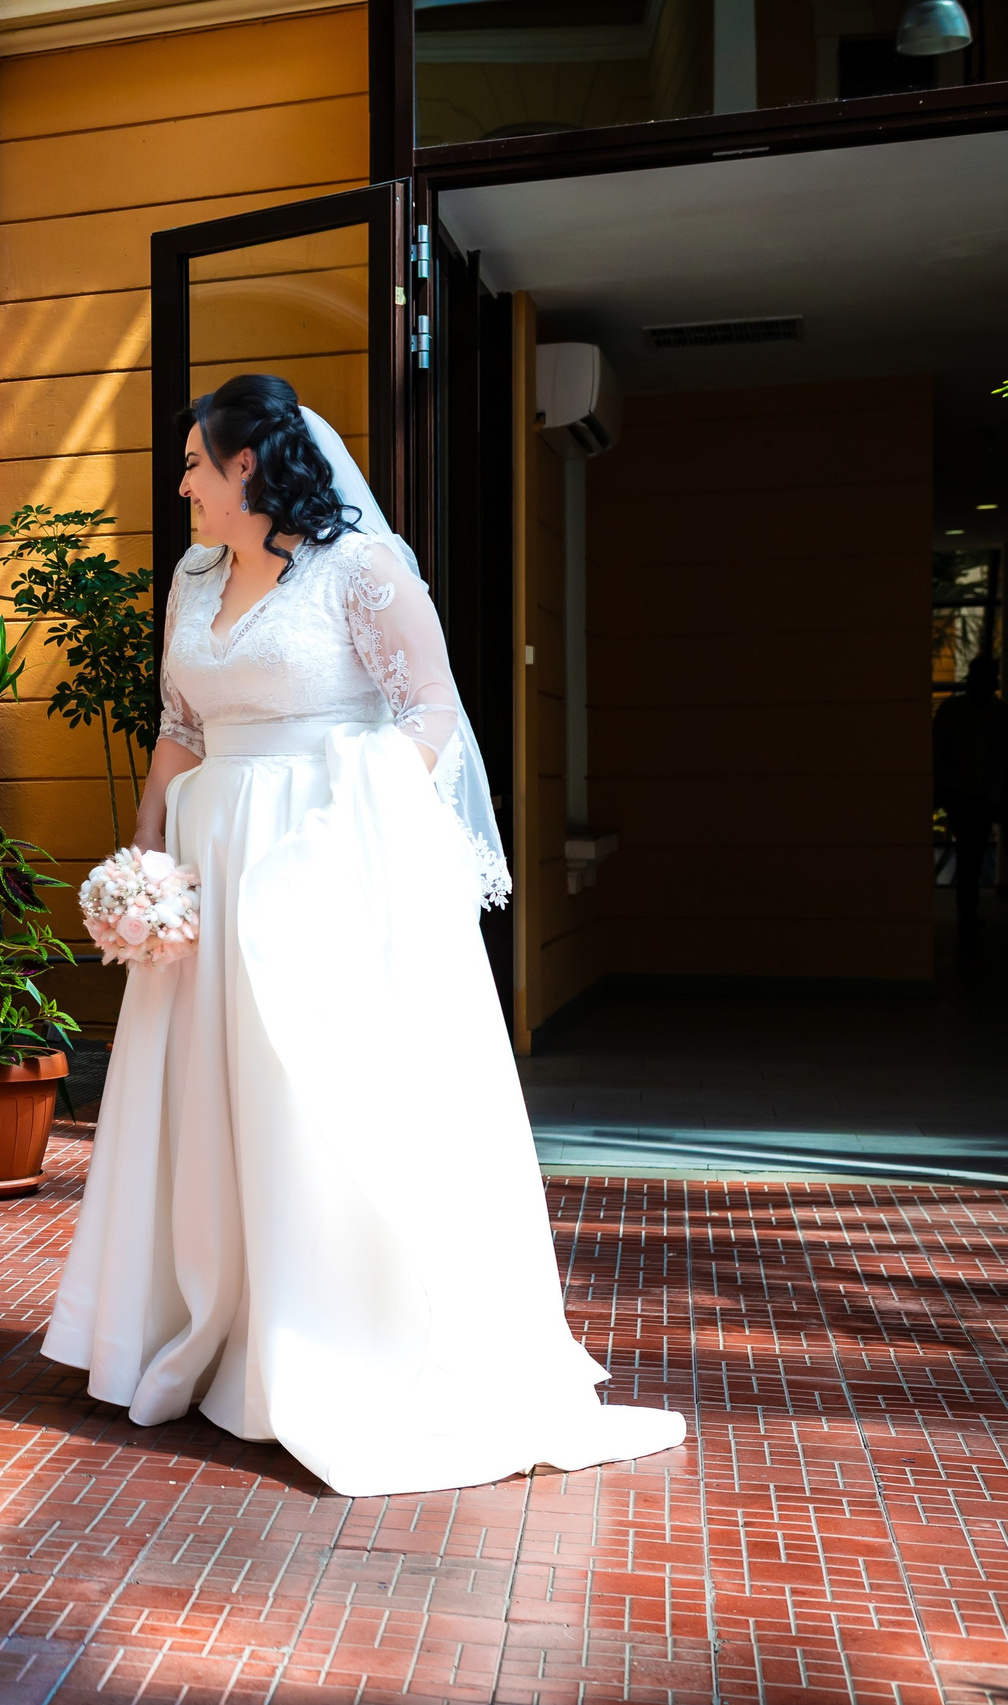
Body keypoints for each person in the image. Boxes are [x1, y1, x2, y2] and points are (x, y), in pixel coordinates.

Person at [42, 373, 684, 1497]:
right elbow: (180, 725)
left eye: (195, 463)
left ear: (246, 467)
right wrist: (144, 855)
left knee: (314, 1096)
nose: (182, 483)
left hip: (322, 860)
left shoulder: (361, 570)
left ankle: (332, 1344)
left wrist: (348, 827)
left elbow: (429, 713)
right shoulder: (194, 577)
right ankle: (211, 1326)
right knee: (210, 1098)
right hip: (209, 863)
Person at [934, 655, 1004, 936]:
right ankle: (967, 909)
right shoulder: (1000, 714)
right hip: (981, 794)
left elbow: (937, 751)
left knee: (968, 851)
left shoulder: (952, 710)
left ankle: (967, 909)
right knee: (972, 853)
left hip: (959, 791)